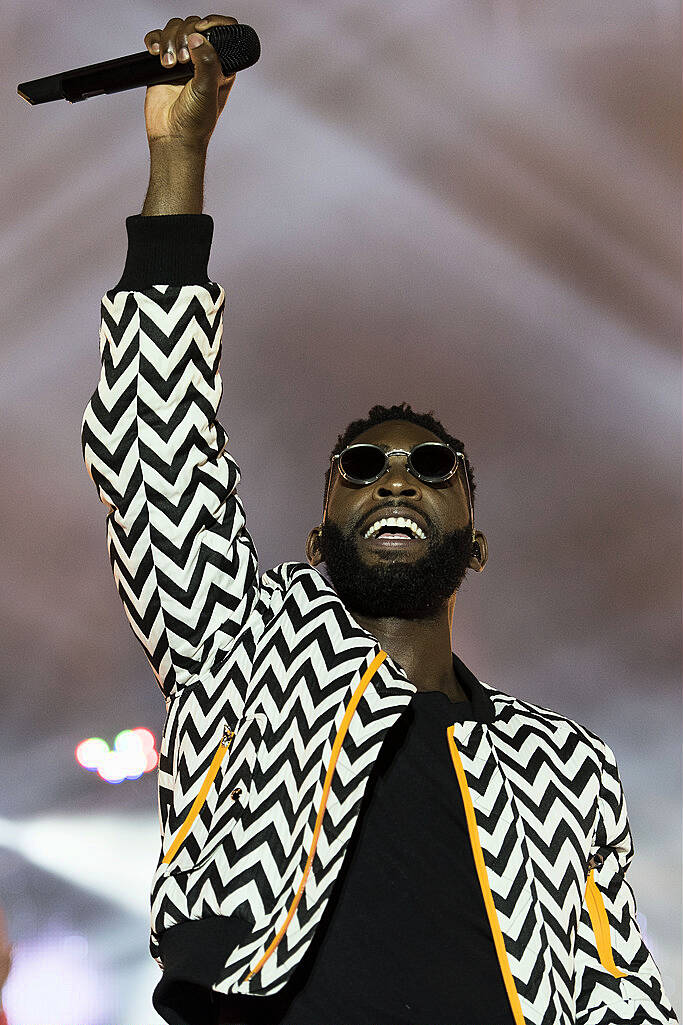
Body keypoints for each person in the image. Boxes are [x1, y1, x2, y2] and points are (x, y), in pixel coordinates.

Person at [80, 15, 678, 1025]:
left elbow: (617, 989)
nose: (395, 478)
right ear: (316, 537)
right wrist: (178, 157)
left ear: (472, 539)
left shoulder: (563, 764)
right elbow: (155, 452)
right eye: (360, 466)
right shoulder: (242, 656)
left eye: (429, 465)